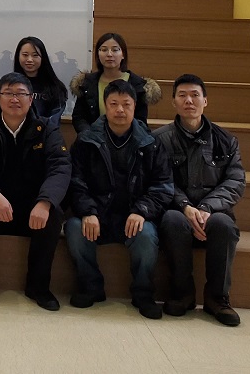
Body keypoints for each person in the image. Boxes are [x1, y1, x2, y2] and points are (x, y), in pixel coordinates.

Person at [0, 72, 71, 310]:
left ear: (31, 99)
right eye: (8, 93)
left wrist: (45, 201)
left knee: (53, 214)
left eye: (21, 94)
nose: (14, 99)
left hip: (32, 204)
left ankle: (38, 287)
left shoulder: (46, 128)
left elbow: (60, 167)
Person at [65, 79, 173, 318]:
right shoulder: (86, 141)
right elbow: (75, 182)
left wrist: (141, 210)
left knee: (146, 235)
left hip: (133, 216)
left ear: (135, 107)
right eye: (114, 104)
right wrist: (88, 211)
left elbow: (163, 186)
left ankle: (143, 293)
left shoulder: (151, 143)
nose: (120, 110)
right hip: (98, 215)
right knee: (73, 227)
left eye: (126, 104)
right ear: (105, 106)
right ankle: (91, 286)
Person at [155, 74, 246, 326]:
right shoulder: (160, 139)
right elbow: (160, 181)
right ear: (174, 102)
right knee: (172, 221)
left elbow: (236, 181)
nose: (189, 101)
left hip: (214, 212)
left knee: (224, 226)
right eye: (182, 95)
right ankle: (182, 293)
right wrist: (185, 206)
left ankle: (217, 298)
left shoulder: (226, 140)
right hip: (177, 209)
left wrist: (206, 207)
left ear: (205, 101)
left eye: (195, 95)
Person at [69, 32, 161, 135]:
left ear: (123, 54)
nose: (109, 54)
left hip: (127, 140)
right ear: (97, 54)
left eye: (115, 50)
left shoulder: (137, 84)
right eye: (104, 50)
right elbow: (79, 117)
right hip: (93, 139)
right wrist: (90, 136)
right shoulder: (87, 82)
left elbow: (140, 121)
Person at [13, 36, 68, 127]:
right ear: (18, 56)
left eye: (35, 55)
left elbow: (53, 121)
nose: (29, 59)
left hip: (45, 133)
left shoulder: (55, 88)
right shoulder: (10, 85)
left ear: (43, 58)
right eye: (25, 55)